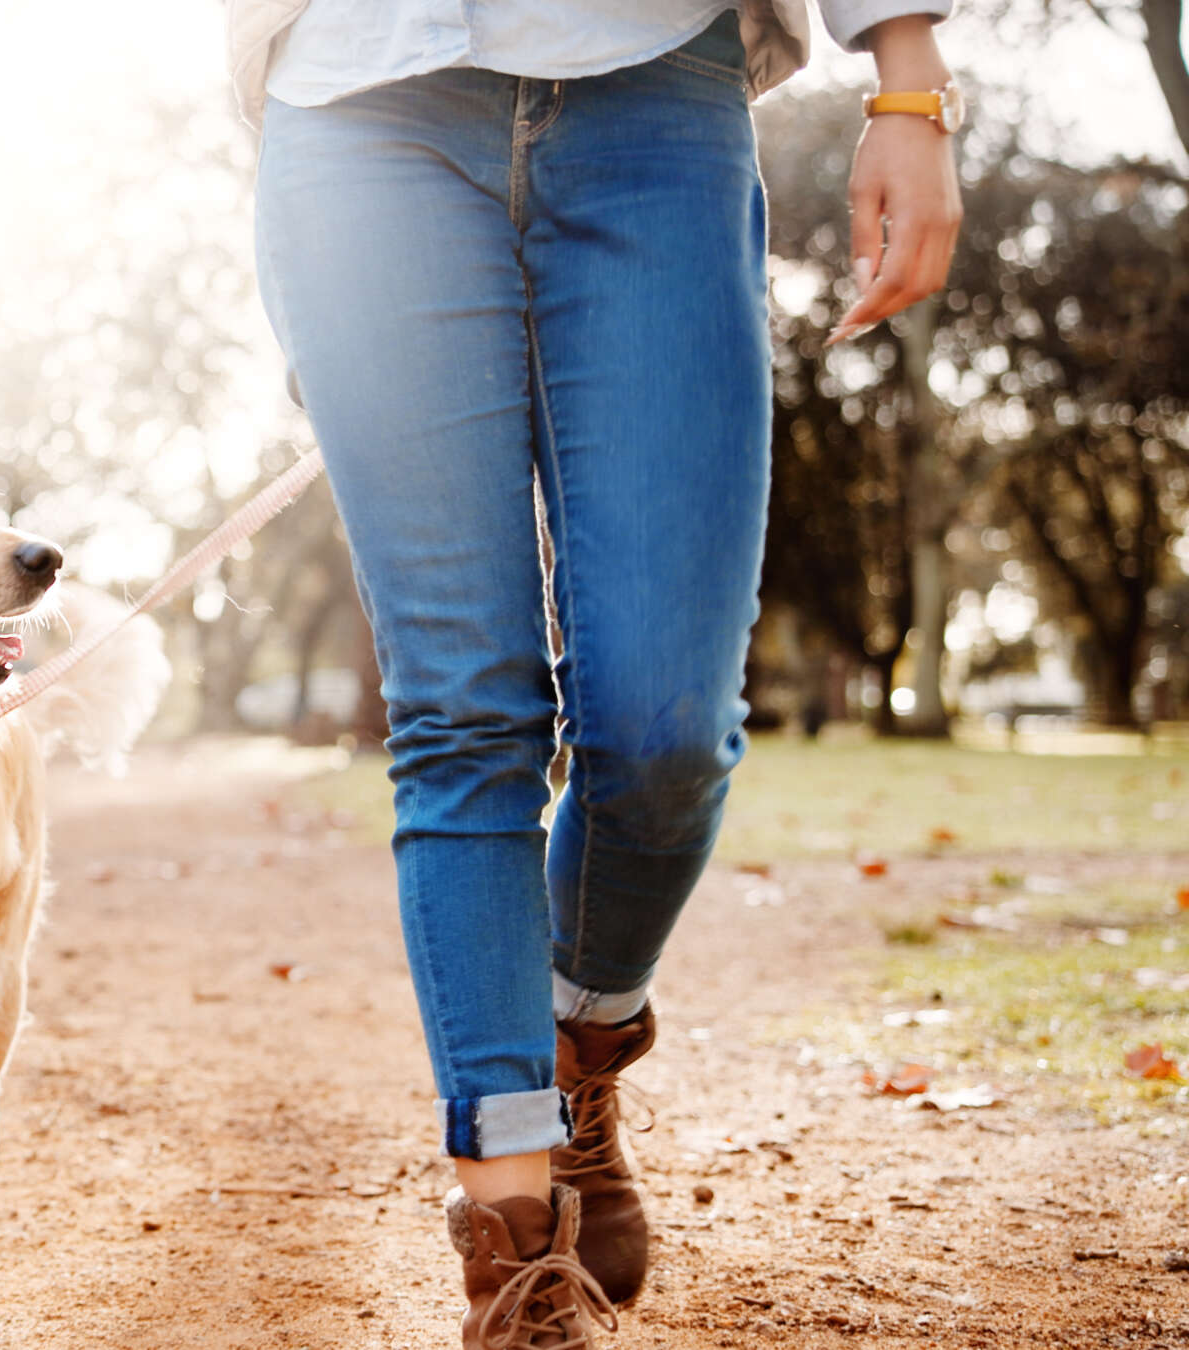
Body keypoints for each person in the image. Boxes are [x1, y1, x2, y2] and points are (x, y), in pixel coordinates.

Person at [232, 2, 963, 1345]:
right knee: (463, 709)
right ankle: (516, 1254)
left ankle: (582, 1030)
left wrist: (906, 81)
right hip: (358, 103)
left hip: (651, 91)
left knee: (668, 725)